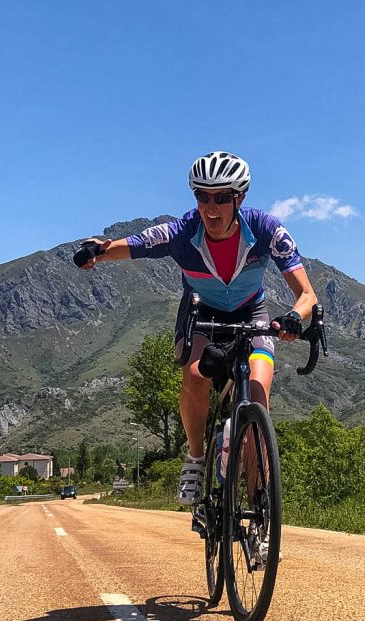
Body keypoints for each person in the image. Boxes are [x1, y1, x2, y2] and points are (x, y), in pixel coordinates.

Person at [78, 151, 318, 505]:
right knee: (194, 375)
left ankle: (259, 508)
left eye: (222, 197)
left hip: (252, 313)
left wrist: (296, 316)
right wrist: (98, 250)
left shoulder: (267, 228)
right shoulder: (182, 231)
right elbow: (135, 245)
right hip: (202, 313)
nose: (211, 207)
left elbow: (307, 294)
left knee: (257, 400)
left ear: (240, 198)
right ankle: (195, 457)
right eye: (202, 196)